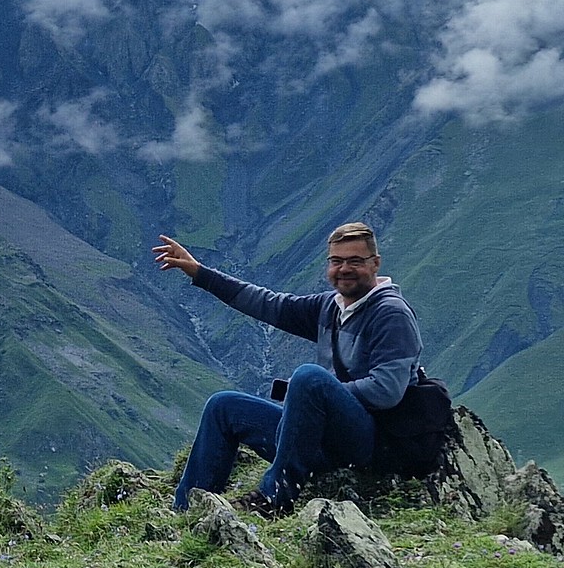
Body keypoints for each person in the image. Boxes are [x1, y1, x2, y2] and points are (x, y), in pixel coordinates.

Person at [152, 221, 422, 516]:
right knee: (224, 406)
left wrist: (316, 396)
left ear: (375, 264)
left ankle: (274, 496)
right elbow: (267, 304)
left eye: (355, 261)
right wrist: (200, 273)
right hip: (321, 438)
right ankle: (188, 509)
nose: (344, 268)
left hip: (370, 444)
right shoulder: (330, 307)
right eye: (336, 261)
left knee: (309, 377)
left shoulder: (391, 314)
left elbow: (387, 391)